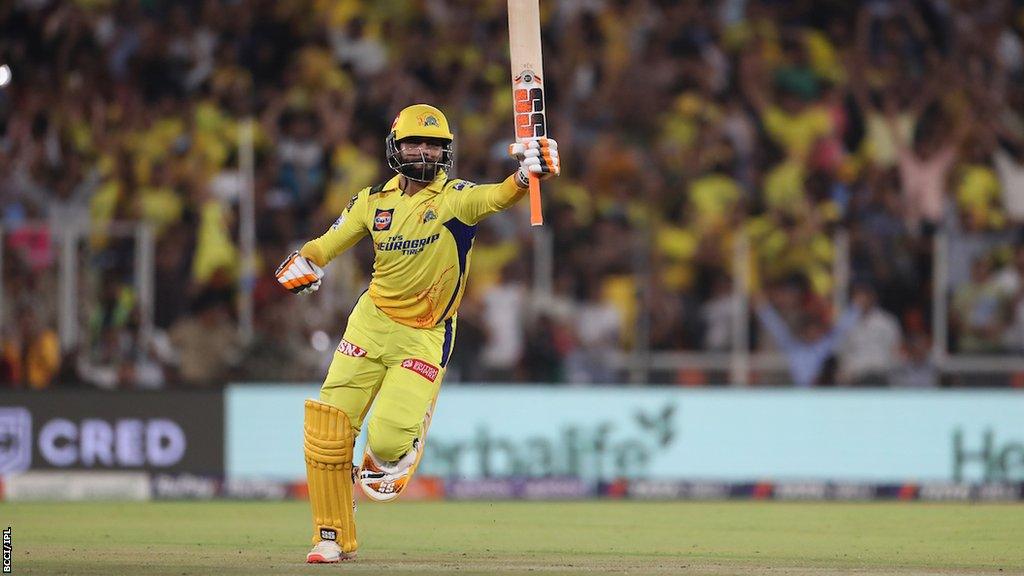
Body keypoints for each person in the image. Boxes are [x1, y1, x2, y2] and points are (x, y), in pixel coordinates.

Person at [274, 103, 559, 563]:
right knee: (329, 426)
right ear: (395, 147)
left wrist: (526, 177)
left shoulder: (454, 199)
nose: (424, 152)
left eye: (434, 145)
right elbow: (329, 241)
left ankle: (408, 433)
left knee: (384, 443)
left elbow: (496, 196)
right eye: (415, 143)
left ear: (446, 152)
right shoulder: (373, 201)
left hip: (424, 334)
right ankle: (330, 535)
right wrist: (307, 262)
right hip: (369, 323)